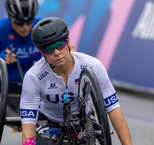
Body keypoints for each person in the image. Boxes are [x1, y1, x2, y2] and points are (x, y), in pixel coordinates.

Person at [20, 17, 133, 145]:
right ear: (41, 52)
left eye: (60, 45)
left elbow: (113, 109)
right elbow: (28, 124)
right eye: (49, 49)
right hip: (49, 120)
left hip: (82, 119)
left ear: (68, 41)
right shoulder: (33, 76)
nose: (57, 52)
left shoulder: (93, 65)